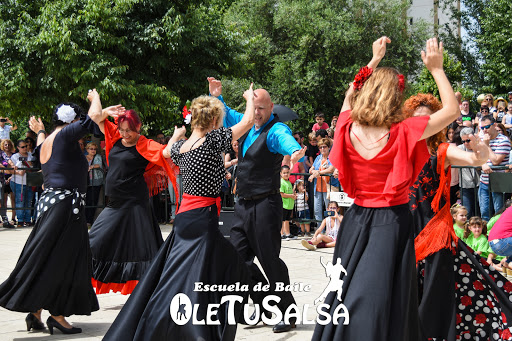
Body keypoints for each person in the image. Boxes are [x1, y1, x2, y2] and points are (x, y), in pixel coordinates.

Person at [312, 37, 460, 340]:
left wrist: (373, 60)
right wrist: (436, 70)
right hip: (390, 221)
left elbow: (348, 95)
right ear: (394, 97)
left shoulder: (345, 125)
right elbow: (452, 110)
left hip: (356, 219)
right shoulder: (405, 131)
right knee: (378, 297)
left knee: (349, 288)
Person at [105, 85, 256, 340]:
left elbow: (165, 151)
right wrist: (249, 98)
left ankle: (212, 314)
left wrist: (176, 135)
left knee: (214, 266)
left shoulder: (181, 148)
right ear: (213, 120)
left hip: (185, 218)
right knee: (209, 271)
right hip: (202, 218)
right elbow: (249, 120)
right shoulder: (212, 141)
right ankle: (188, 326)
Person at [405, 93, 512, 340]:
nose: (421, 125)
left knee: (437, 292)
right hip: (404, 230)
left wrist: (481, 147)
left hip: (434, 233)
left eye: (427, 119)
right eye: (415, 120)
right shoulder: (399, 150)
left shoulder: (441, 152)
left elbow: (478, 158)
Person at [208, 76, 306, 333]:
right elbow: (227, 114)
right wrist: (217, 95)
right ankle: (264, 306)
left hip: (265, 205)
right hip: (242, 206)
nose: (258, 113)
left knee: (269, 261)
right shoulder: (247, 123)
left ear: (271, 108)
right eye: (255, 108)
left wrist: (294, 151)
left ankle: (288, 312)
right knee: (238, 260)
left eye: (262, 108)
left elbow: (286, 142)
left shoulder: (275, 130)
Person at [0, 98, 102, 335]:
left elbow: (40, 142)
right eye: (77, 121)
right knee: (63, 261)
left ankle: (36, 311)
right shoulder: (65, 137)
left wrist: (41, 130)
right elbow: (93, 116)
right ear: (71, 122)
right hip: (66, 209)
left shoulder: (48, 141)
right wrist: (94, 98)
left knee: (50, 258)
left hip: (56, 207)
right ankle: (56, 314)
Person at [88, 91, 178, 295]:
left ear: (138, 127)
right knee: (93, 241)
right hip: (116, 204)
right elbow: (94, 117)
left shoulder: (144, 144)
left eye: (129, 130)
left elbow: (165, 153)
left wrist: (175, 137)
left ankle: (153, 291)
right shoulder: (114, 137)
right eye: (122, 129)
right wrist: (99, 102)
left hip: (135, 204)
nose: (125, 134)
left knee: (144, 249)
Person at [478, 114, 511, 221]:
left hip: (498, 182)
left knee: (498, 214)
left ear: (495, 125)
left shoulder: (504, 140)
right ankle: (484, 236)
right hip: (484, 181)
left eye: (487, 127)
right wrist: (482, 164)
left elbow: (496, 161)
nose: (484, 130)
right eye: (482, 128)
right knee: (484, 213)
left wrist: (486, 145)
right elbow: (476, 156)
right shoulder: (481, 138)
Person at [8, 140, 35, 227]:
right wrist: (18, 172)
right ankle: (20, 220)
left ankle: (27, 219)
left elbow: (33, 165)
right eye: (22, 147)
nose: (25, 148)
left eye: (26, 146)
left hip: (29, 181)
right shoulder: (15, 157)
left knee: (28, 201)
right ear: (18, 148)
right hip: (18, 182)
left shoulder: (31, 155)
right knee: (20, 201)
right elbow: (10, 170)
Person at [308, 137, 335, 223]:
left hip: (328, 188)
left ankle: (330, 230)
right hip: (318, 188)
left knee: (330, 210)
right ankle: (320, 230)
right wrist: (315, 172)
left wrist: (317, 172)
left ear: (329, 147)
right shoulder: (318, 158)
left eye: (324, 147)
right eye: (320, 147)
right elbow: (310, 170)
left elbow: (331, 169)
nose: (322, 149)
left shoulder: (332, 157)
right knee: (317, 211)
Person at [458, 127, 481, 217]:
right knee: (467, 211)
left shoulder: (480, 147)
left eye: (468, 140)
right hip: (465, 186)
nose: (466, 143)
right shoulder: (460, 148)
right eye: (463, 141)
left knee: (479, 211)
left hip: (480, 184)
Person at [85, 142, 104, 225]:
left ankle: (89, 221)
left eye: (95, 149)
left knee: (93, 200)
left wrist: (91, 167)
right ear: (87, 149)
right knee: (86, 200)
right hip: (85, 182)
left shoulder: (97, 157)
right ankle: (84, 220)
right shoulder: (84, 157)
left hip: (95, 181)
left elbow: (98, 165)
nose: (93, 150)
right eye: (91, 149)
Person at [1, 139, 16, 224]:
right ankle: (5, 218)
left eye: (9, 145)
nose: (7, 146)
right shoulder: (1, 155)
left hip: (13, 178)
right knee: (4, 200)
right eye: (6, 145)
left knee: (13, 199)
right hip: (3, 178)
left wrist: (11, 177)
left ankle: (13, 218)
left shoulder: (14, 155)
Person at [280, 165, 296, 240]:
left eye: (287, 172)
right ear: (281, 173)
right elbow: (282, 194)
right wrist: (291, 196)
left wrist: (293, 194)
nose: (286, 174)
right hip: (284, 205)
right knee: (282, 220)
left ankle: (287, 233)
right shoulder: (281, 182)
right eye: (284, 173)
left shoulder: (289, 182)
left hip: (289, 205)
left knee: (287, 220)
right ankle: (281, 233)